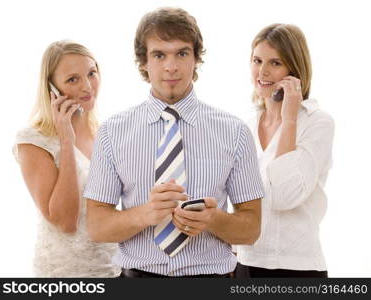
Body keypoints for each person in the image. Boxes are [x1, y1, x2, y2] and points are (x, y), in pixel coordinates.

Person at [84, 7, 265, 278]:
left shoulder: (235, 132)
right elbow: (97, 227)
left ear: (196, 59)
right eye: (159, 55)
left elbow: (251, 229)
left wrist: (214, 219)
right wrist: (145, 214)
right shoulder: (112, 132)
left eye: (182, 53)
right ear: (143, 62)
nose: (171, 66)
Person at [13, 40, 120, 277]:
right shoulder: (33, 141)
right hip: (66, 273)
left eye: (91, 73)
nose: (87, 87)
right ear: (52, 88)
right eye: (73, 79)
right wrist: (66, 141)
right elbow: (65, 221)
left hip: (115, 268)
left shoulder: (107, 134)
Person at [235, 24, 334, 278]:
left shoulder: (317, 123)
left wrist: (289, 120)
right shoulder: (243, 125)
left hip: (298, 268)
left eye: (275, 63)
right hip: (245, 262)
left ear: (294, 70)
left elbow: (284, 195)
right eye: (257, 61)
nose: (263, 71)